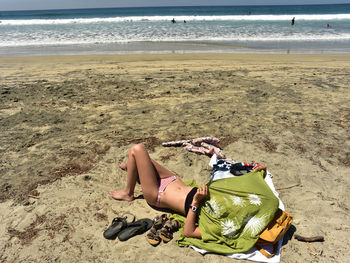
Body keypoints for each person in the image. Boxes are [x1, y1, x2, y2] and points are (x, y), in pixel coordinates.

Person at [110, 144, 268, 239]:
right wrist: (261, 172)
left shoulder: (223, 225)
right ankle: (133, 168)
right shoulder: (232, 201)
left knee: (137, 150)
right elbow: (251, 188)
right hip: (172, 180)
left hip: (158, 194)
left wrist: (195, 204)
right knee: (135, 156)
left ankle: (128, 193)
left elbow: (189, 232)